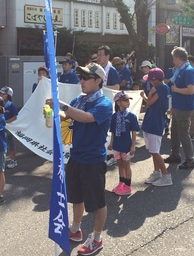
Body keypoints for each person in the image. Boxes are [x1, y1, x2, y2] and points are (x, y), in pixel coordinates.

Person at [46, 62, 112, 255]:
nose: (81, 81)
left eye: (85, 78)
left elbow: (86, 118)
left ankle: (97, 239)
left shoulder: (104, 103)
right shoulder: (79, 99)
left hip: (93, 159)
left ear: (98, 81)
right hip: (76, 156)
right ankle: (75, 229)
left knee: (97, 202)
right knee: (76, 196)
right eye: (80, 77)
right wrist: (54, 113)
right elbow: (69, 118)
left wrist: (63, 106)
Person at [163, 47, 194, 170]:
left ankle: (190, 159)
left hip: (184, 107)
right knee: (175, 132)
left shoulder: (187, 71)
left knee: (183, 133)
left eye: (173, 58)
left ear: (178, 58)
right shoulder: (179, 70)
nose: (172, 61)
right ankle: (175, 155)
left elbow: (190, 90)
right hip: (177, 106)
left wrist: (176, 90)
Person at [140, 68, 173, 186]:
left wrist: (146, 95)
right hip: (152, 120)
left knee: (154, 151)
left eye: (150, 80)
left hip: (155, 121)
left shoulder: (161, 88)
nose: (149, 82)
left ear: (155, 80)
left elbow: (149, 102)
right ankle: (157, 172)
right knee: (153, 151)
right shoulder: (163, 87)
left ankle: (166, 176)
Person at [108, 91, 139, 196]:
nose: (128, 102)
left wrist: (133, 146)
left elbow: (134, 132)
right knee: (120, 164)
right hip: (117, 144)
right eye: (125, 100)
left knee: (126, 165)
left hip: (126, 144)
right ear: (118, 103)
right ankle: (121, 183)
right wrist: (111, 143)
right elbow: (112, 131)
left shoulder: (131, 116)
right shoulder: (114, 116)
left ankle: (128, 186)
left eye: (128, 100)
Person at [0, 86, 19, 169]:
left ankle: (13, 160)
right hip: (0, 127)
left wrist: (5, 122)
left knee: (10, 144)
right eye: (0, 93)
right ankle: (1, 160)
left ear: (8, 95)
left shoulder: (11, 105)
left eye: (3, 94)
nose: (1, 95)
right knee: (1, 144)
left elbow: (15, 117)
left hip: (9, 128)